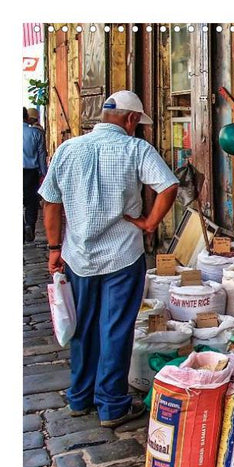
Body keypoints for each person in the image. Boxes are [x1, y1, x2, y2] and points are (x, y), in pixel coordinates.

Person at [40, 90, 179, 428]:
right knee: (115, 328)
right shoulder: (136, 149)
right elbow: (168, 186)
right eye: (137, 123)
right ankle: (112, 404)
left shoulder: (68, 149)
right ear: (131, 119)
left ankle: (79, 396)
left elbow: (51, 202)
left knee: (83, 326)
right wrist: (150, 223)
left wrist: (54, 248)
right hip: (123, 256)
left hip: (78, 256)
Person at [23, 106, 47, 242]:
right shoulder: (36, 133)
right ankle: (29, 225)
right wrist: (44, 174)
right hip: (30, 173)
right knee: (31, 202)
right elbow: (41, 156)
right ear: (27, 117)